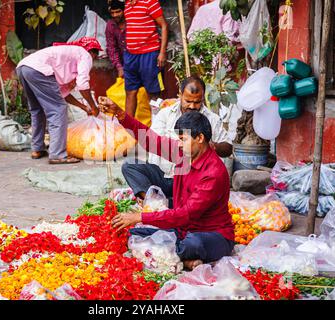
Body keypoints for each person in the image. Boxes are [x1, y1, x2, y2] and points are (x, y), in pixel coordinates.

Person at [99, 97, 235, 269]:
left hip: (212, 236)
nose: (178, 144)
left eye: (182, 139)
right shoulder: (184, 154)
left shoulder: (213, 173)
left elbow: (185, 214)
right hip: (182, 230)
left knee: (192, 244)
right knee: (133, 233)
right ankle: (184, 259)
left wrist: (139, 216)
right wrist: (120, 114)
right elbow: (150, 140)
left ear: (200, 138)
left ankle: (181, 255)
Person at [122, 76, 233, 203]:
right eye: (188, 101)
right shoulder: (165, 114)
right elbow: (153, 142)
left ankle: (169, 205)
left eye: (197, 102)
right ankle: (154, 202)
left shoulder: (212, 119)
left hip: (191, 180)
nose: (192, 106)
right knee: (130, 165)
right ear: (180, 94)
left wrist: (212, 146)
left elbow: (228, 148)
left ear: (203, 98)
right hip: (163, 175)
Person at [16, 37, 101, 164]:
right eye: (95, 55)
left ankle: (37, 148)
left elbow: (62, 94)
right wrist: (94, 107)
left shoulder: (67, 55)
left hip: (23, 68)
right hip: (38, 70)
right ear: (93, 52)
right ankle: (57, 154)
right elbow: (83, 85)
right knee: (58, 109)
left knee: (37, 109)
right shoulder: (85, 54)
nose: (93, 60)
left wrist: (84, 108)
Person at [124, 0, 168, 117]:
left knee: (153, 94)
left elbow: (164, 25)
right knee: (130, 92)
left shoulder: (150, 2)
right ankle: (128, 130)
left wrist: (162, 52)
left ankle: (158, 128)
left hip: (149, 55)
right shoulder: (127, 4)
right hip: (130, 56)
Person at [106, 0, 126, 78]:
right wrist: (119, 67)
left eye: (118, 12)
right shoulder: (110, 25)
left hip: (137, 59)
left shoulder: (132, 22)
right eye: (112, 13)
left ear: (124, 11)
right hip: (122, 60)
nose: (115, 15)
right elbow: (111, 47)